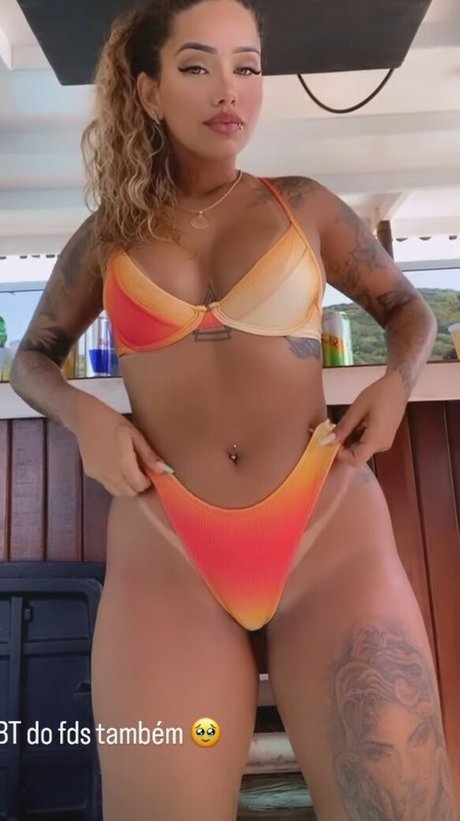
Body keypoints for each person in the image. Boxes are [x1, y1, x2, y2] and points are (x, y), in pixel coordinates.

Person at [10, 0, 458, 818]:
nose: (230, 89)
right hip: (167, 542)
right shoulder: (108, 235)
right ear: (148, 92)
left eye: (247, 66)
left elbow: (409, 311)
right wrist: (82, 414)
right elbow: (31, 358)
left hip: (326, 523)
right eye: (197, 66)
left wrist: (397, 382)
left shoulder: (302, 204)